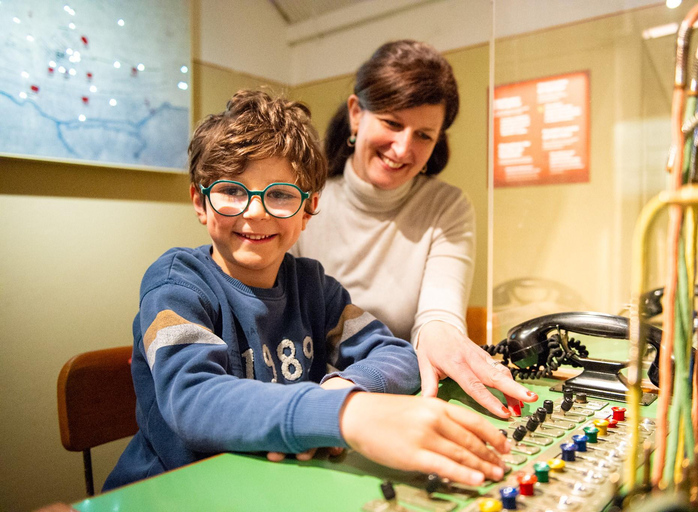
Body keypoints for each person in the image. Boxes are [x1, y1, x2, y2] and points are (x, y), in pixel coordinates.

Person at [104, 89, 510, 491]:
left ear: (309, 209)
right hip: (174, 493)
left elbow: (396, 353)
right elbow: (192, 399)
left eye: (280, 195)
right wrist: (342, 414)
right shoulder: (177, 284)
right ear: (200, 201)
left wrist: (346, 386)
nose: (255, 211)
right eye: (231, 191)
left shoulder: (315, 288)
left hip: (273, 491)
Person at [292, 40, 536, 418]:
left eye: (424, 135)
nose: (403, 149)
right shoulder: (299, 200)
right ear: (357, 114)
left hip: (395, 395)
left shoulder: (447, 207)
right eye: (392, 123)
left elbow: (438, 316)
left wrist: (444, 337)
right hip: (310, 402)